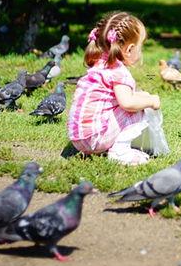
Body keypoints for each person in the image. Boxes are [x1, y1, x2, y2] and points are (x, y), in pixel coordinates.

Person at [68, 11, 161, 165]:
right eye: (140, 47)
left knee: (140, 97)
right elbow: (127, 103)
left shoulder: (100, 63)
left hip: (79, 139)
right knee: (139, 107)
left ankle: (109, 146)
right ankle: (120, 152)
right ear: (130, 49)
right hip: (95, 138)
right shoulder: (119, 72)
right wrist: (151, 101)